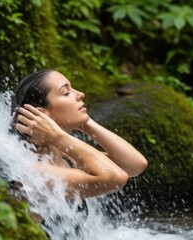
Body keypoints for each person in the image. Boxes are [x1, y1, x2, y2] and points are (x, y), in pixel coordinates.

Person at [10, 69, 148, 235]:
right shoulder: (32, 171)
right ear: (41, 114)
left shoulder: (66, 159)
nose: (80, 94)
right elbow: (115, 178)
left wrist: (86, 123)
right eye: (66, 92)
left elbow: (134, 165)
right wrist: (59, 136)